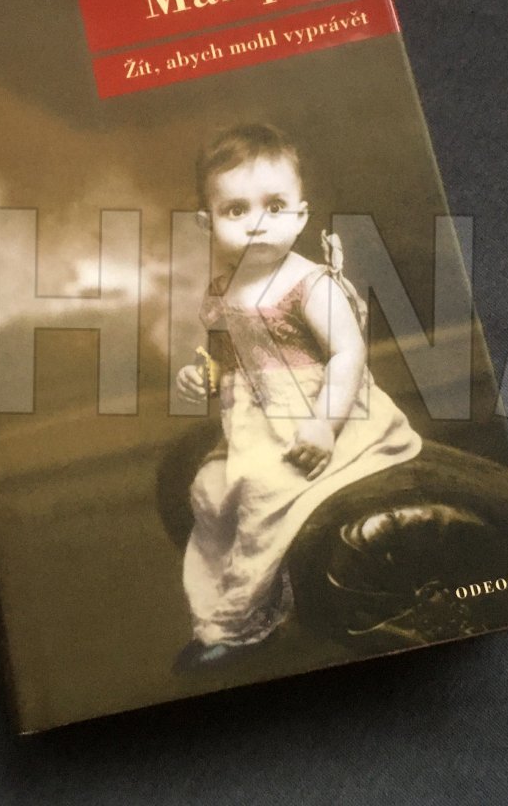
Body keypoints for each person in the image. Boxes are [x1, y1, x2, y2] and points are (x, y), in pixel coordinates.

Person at [174, 123, 423, 671]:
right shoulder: (222, 291)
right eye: (235, 210)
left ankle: (239, 623)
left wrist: (323, 426)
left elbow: (348, 356)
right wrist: (203, 375)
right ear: (206, 223)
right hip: (256, 422)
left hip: (325, 414)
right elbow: (225, 355)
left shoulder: (310, 285)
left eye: (274, 206)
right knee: (208, 491)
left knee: (263, 493)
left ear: (300, 216)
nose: (258, 222)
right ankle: (212, 609)